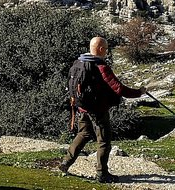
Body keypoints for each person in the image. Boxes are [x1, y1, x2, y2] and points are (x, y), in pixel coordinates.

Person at [59, 36, 146, 183]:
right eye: (105, 49)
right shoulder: (101, 67)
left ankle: (65, 163)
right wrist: (139, 92)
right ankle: (102, 174)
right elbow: (119, 89)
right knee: (104, 141)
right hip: (97, 109)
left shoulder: (79, 62)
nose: (106, 52)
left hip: (82, 107)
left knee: (84, 134)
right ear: (100, 49)